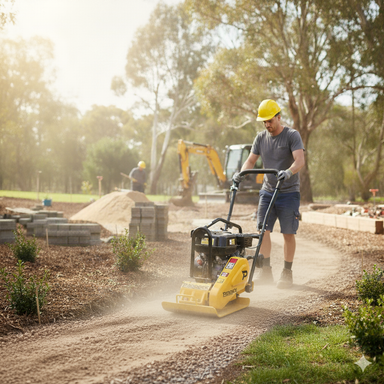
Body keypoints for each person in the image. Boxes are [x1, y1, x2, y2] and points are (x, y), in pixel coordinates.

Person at [233, 99, 305, 289]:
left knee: (288, 233)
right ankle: (266, 271)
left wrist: (288, 172)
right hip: (267, 191)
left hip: (289, 192)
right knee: (262, 230)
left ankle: (287, 272)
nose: (267, 125)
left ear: (279, 117)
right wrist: (240, 174)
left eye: (270, 121)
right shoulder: (260, 138)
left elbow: (299, 160)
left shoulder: (292, 135)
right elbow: (250, 161)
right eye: (264, 121)